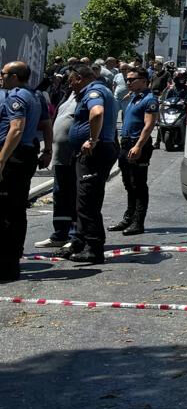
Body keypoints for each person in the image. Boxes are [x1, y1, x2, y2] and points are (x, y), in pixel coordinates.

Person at [58, 64, 118, 264]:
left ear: (80, 78)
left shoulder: (94, 92)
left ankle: (93, 247)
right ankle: (80, 241)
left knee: (87, 201)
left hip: (95, 153)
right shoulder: (96, 90)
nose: (69, 84)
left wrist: (92, 140)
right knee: (83, 200)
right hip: (91, 153)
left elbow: (97, 113)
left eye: (71, 80)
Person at [0, 62, 44, 282]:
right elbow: (45, 123)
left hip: (15, 157)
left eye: (4, 74)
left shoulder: (15, 96)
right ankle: (12, 259)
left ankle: (6, 266)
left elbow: (16, 128)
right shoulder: (34, 95)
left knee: (6, 211)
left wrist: (1, 159)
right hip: (26, 154)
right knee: (16, 210)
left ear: (15, 77)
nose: (1, 77)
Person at [111, 68, 157, 237]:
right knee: (128, 183)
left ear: (144, 81)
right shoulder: (133, 97)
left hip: (137, 144)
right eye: (127, 79)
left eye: (132, 79)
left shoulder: (149, 100)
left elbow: (149, 125)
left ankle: (138, 222)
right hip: (125, 143)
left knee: (138, 184)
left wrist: (138, 146)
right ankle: (128, 217)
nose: (128, 82)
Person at [34, 84, 78, 249]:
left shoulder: (89, 96)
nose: (70, 81)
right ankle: (59, 235)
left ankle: (74, 236)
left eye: (73, 78)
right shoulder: (69, 95)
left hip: (73, 157)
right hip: (60, 157)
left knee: (73, 195)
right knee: (60, 196)